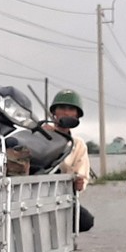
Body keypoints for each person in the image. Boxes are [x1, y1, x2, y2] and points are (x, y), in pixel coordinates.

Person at [49, 89, 95, 232]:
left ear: (77, 115)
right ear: (54, 112)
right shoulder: (39, 134)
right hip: (36, 192)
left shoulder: (78, 144)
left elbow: (81, 177)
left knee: (86, 221)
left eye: (71, 109)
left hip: (63, 196)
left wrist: (79, 182)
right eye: (62, 108)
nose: (66, 113)